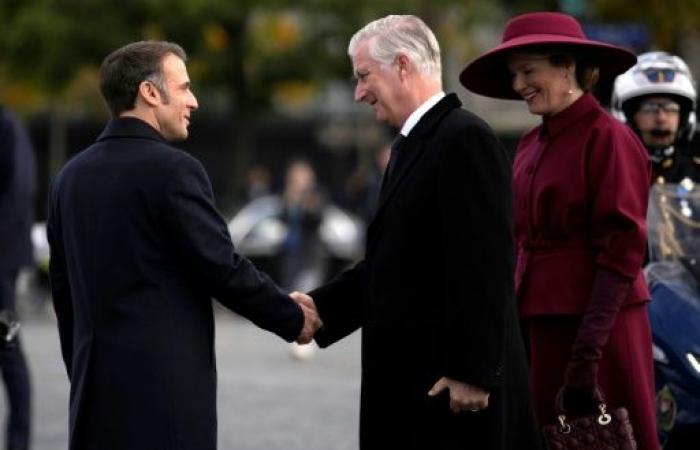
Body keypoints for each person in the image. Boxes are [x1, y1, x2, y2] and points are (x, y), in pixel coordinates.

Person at [46, 41, 321, 450]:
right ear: (150, 92)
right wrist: (292, 317)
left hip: (92, 398)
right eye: (185, 87)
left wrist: (84, 373)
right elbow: (221, 266)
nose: (193, 101)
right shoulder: (175, 171)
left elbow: (64, 293)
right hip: (164, 399)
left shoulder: (68, 178)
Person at [291, 15, 541, 450]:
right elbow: (399, 261)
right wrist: (320, 306)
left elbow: (486, 263)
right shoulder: (415, 144)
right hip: (418, 387)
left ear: (403, 65)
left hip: (452, 394)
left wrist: (473, 371)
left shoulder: (464, 139)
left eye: (364, 76)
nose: (359, 92)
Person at [460, 11, 659, 450]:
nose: (518, 86)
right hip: (540, 327)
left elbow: (622, 252)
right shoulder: (531, 143)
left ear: (567, 65)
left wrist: (587, 352)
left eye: (529, 71)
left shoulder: (609, 138)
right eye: (514, 75)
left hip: (599, 330)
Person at [0, 106, 35, 450]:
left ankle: (18, 442)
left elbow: (18, 192)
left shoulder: (6, 126)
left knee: (7, 344)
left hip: (0, 270)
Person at [612, 51, 699, 183]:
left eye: (671, 108)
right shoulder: (609, 169)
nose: (661, 118)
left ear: (685, 116)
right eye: (649, 109)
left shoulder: (696, 170)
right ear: (628, 116)